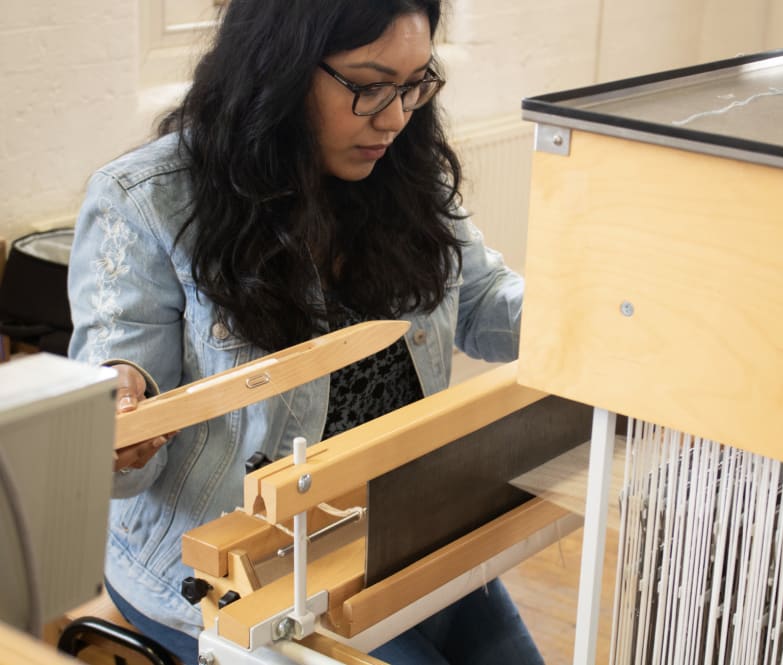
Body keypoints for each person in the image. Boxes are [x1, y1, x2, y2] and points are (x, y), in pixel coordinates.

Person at [67, 1, 543, 664]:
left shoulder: (407, 174)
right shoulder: (147, 199)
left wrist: (603, 316)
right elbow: (116, 383)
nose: (395, 118)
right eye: (369, 86)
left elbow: (487, 300)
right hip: (225, 568)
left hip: (389, 526)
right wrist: (119, 417)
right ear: (279, 68)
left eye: (414, 84)